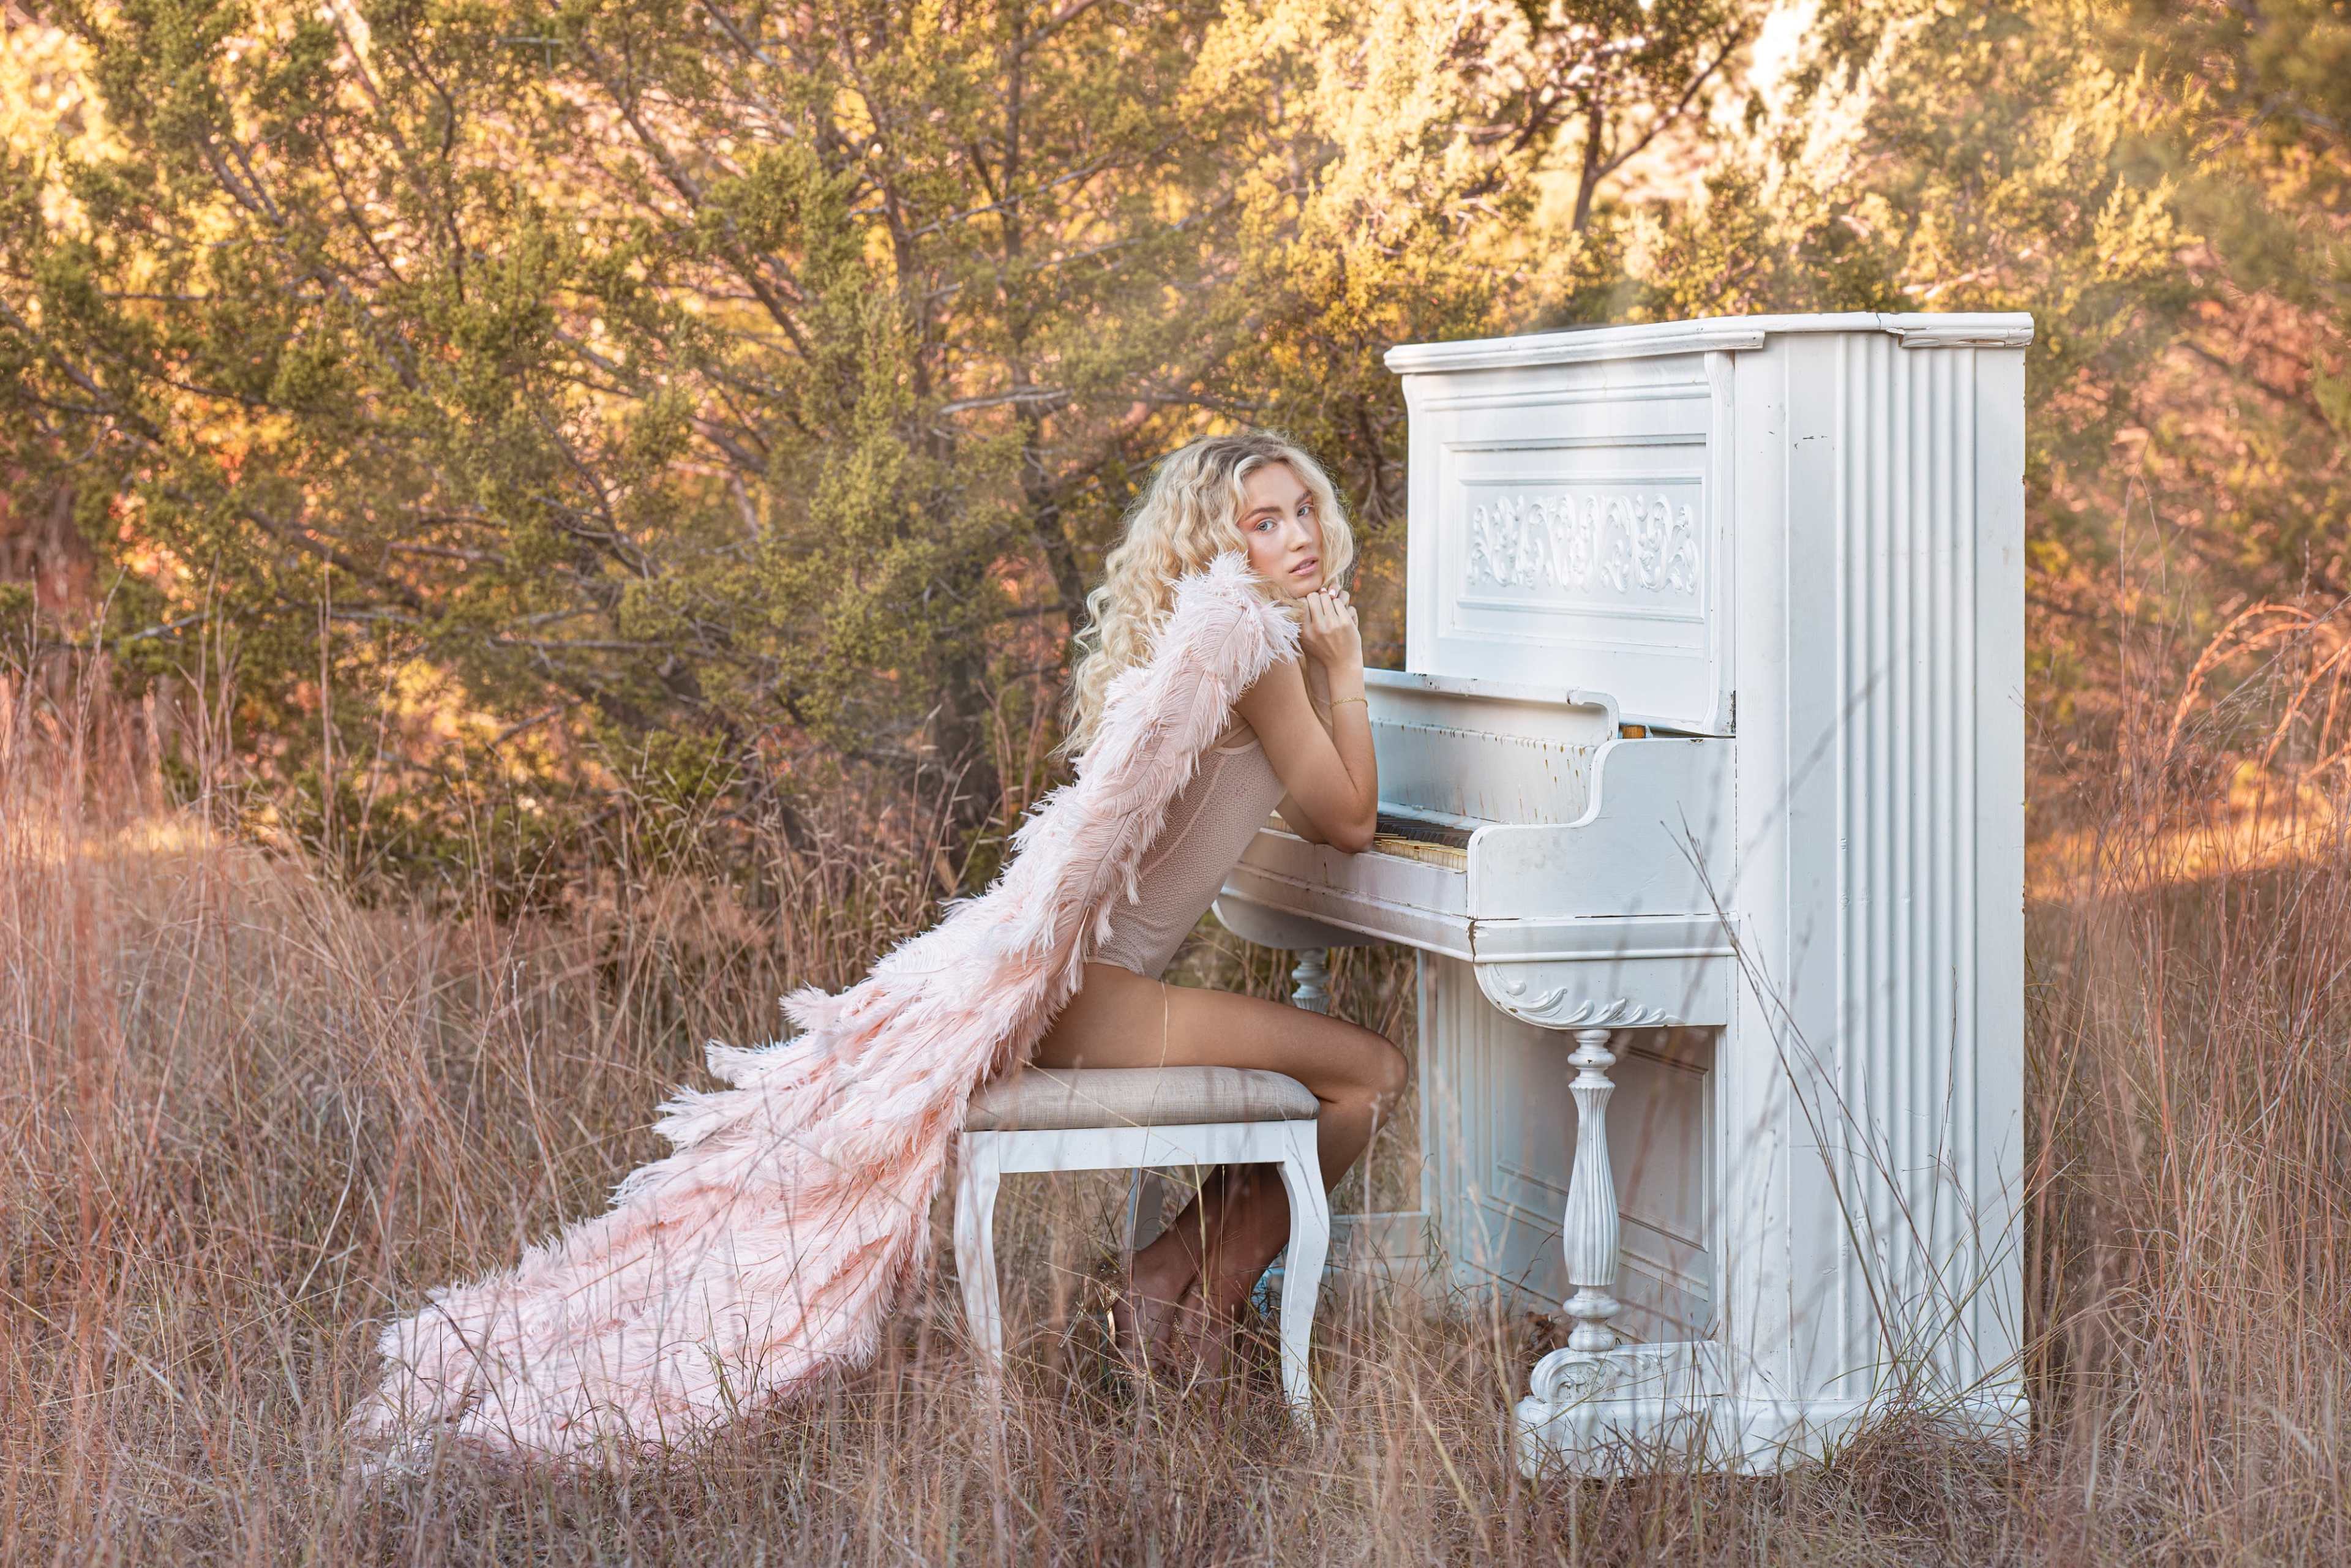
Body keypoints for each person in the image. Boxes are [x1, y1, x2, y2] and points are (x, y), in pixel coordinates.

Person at [1032, 430, 1412, 1384]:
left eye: (1306, 509)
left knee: (1318, 1081)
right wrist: (1346, 672)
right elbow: (1352, 823)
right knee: (1368, 1075)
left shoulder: (1204, 639)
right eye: (1265, 521)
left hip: (1072, 992)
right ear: (1219, 544)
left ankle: (1163, 1278)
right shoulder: (1256, 652)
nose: (1301, 535)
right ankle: (1205, 1297)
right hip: (1100, 1001)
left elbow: (1281, 805)